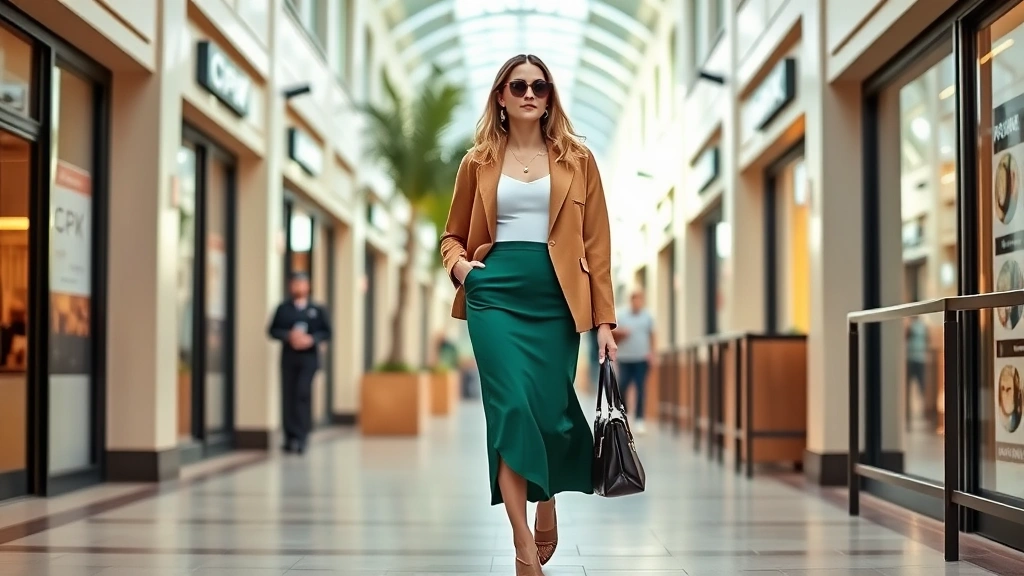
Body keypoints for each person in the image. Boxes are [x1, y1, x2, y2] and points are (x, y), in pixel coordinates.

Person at [439, 54, 617, 576]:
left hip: (557, 298)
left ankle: (549, 500)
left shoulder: (578, 160)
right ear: (500, 95)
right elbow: (450, 235)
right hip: (494, 296)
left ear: (550, 97)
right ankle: (522, 546)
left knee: (554, 414)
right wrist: (465, 271)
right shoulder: (476, 162)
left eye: (540, 86)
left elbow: (598, 245)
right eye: (518, 86)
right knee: (510, 410)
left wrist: (604, 322)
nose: (530, 94)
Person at [267, 272, 331, 454]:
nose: (298, 287)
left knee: (302, 394)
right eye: (295, 283)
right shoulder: (283, 309)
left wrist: (311, 339)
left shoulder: (317, 309)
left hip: (309, 358)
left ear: (307, 286)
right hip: (289, 357)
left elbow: (327, 332)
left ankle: (302, 436)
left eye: (301, 284)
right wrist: (288, 336)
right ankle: (290, 437)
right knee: (288, 395)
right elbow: (272, 330)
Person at [612, 290, 655, 435]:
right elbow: (613, 334)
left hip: (641, 358)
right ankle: (626, 414)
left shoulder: (647, 317)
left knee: (640, 387)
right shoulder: (622, 315)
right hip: (624, 358)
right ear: (631, 301)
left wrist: (652, 353)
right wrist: (622, 332)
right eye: (634, 300)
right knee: (622, 385)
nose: (637, 302)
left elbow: (652, 335)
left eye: (640, 300)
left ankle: (640, 419)